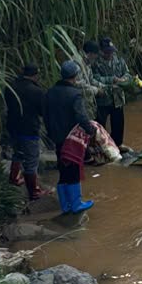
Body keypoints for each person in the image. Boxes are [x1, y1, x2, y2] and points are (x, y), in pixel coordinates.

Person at [44, 60, 94, 213]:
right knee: (73, 168)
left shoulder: (50, 92)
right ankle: (76, 204)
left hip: (56, 138)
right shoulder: (74, 94)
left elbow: (45, 115)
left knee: (63, 168)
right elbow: (81, 116)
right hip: (71, 139)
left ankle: (65, 205)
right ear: (75, 76)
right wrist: (90, 129)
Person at [3, 62, 48, 200]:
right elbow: (42, 111)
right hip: (29, 129)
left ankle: (14, 177)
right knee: (32, 160)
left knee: (18, 153)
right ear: (35, 76)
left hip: (12, 126)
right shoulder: (36, 91)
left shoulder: (10, 87)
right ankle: (34, 191)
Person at [92, 37, 131, 148]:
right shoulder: (95, 63)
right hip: (103, 99)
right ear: (101, 51)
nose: (109, 54)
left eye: (111, 51)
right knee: (100, 125)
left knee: (118, 123)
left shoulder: (119, 60)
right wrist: (111, 80)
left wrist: (123, 79)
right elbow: (94, 79)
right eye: (106, 52)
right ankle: (101, 147)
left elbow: (127, 73)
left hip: (117, 98)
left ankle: (117, 145)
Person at [77, 40, 102, 119]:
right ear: (90, 53)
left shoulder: (87, 62)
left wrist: (104, 86)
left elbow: (91, 80)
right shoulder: (77, 63)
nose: (96, 57)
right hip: (79, 103)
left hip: (88, 102)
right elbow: (78, 84)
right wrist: (96, 90)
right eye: (96, 55)